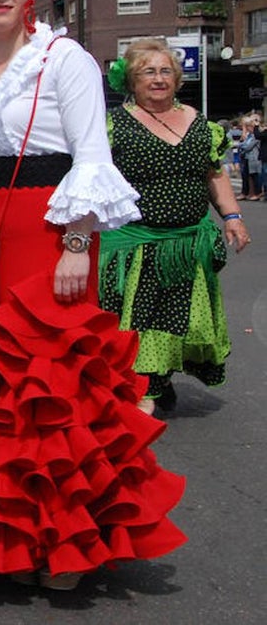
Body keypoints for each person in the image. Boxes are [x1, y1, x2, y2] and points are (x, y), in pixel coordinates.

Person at [0, 0, 187, 590]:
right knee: (2, 393)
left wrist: (79, 242)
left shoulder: (63, 59)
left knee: (54, 388)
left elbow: (90, 155)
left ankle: (69, 543)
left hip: (51, 232)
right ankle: (16, 541)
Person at [100, 39, 250, 414]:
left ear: (177, 78)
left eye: (165, 71)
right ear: (131, 81)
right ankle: (143, 388)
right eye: (148, 71)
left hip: (186, 245)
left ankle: (158, 379)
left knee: (178, 319)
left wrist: (232, 218)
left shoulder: (200, 124)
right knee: (138, 321)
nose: (158, 78)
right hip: (135, 244)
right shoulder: (113, 124)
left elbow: (213, 175)